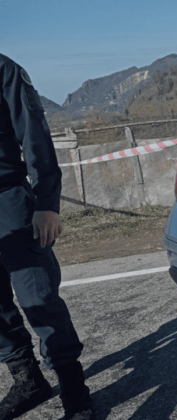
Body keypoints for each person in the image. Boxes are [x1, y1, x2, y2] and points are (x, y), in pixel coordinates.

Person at [0, 54, 95, 420]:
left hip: (9, 200)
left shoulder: (4, 71)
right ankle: (28, 381)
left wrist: (46, 202)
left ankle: (75, 392)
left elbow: (34, 134)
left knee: (38, 297)